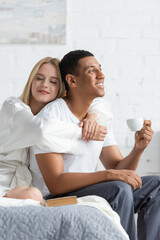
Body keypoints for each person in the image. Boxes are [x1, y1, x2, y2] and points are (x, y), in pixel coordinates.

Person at [31, 50, 160, 240]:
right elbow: (56, 183)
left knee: (156, 184)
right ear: (72, 81)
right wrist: (107, 175)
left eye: (100, 69)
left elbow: (118, 168)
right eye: (92, 71)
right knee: (119, 188)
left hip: (92, 191)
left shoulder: (100, 117)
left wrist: (138, 149)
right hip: (56, 198)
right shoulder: (51, 117)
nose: (102, 75)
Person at [0, 56, 109, 201]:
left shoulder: (51, 115)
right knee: (32, 195)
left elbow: (102, 104)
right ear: (31, 81)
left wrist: (93, 116)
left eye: (53, 82)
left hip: (25, 185)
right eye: (39, 78)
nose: (45, 85)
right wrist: (83, 131)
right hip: (5, 182)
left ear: (62, 87)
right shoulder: (13, 107)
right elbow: (41, 131)